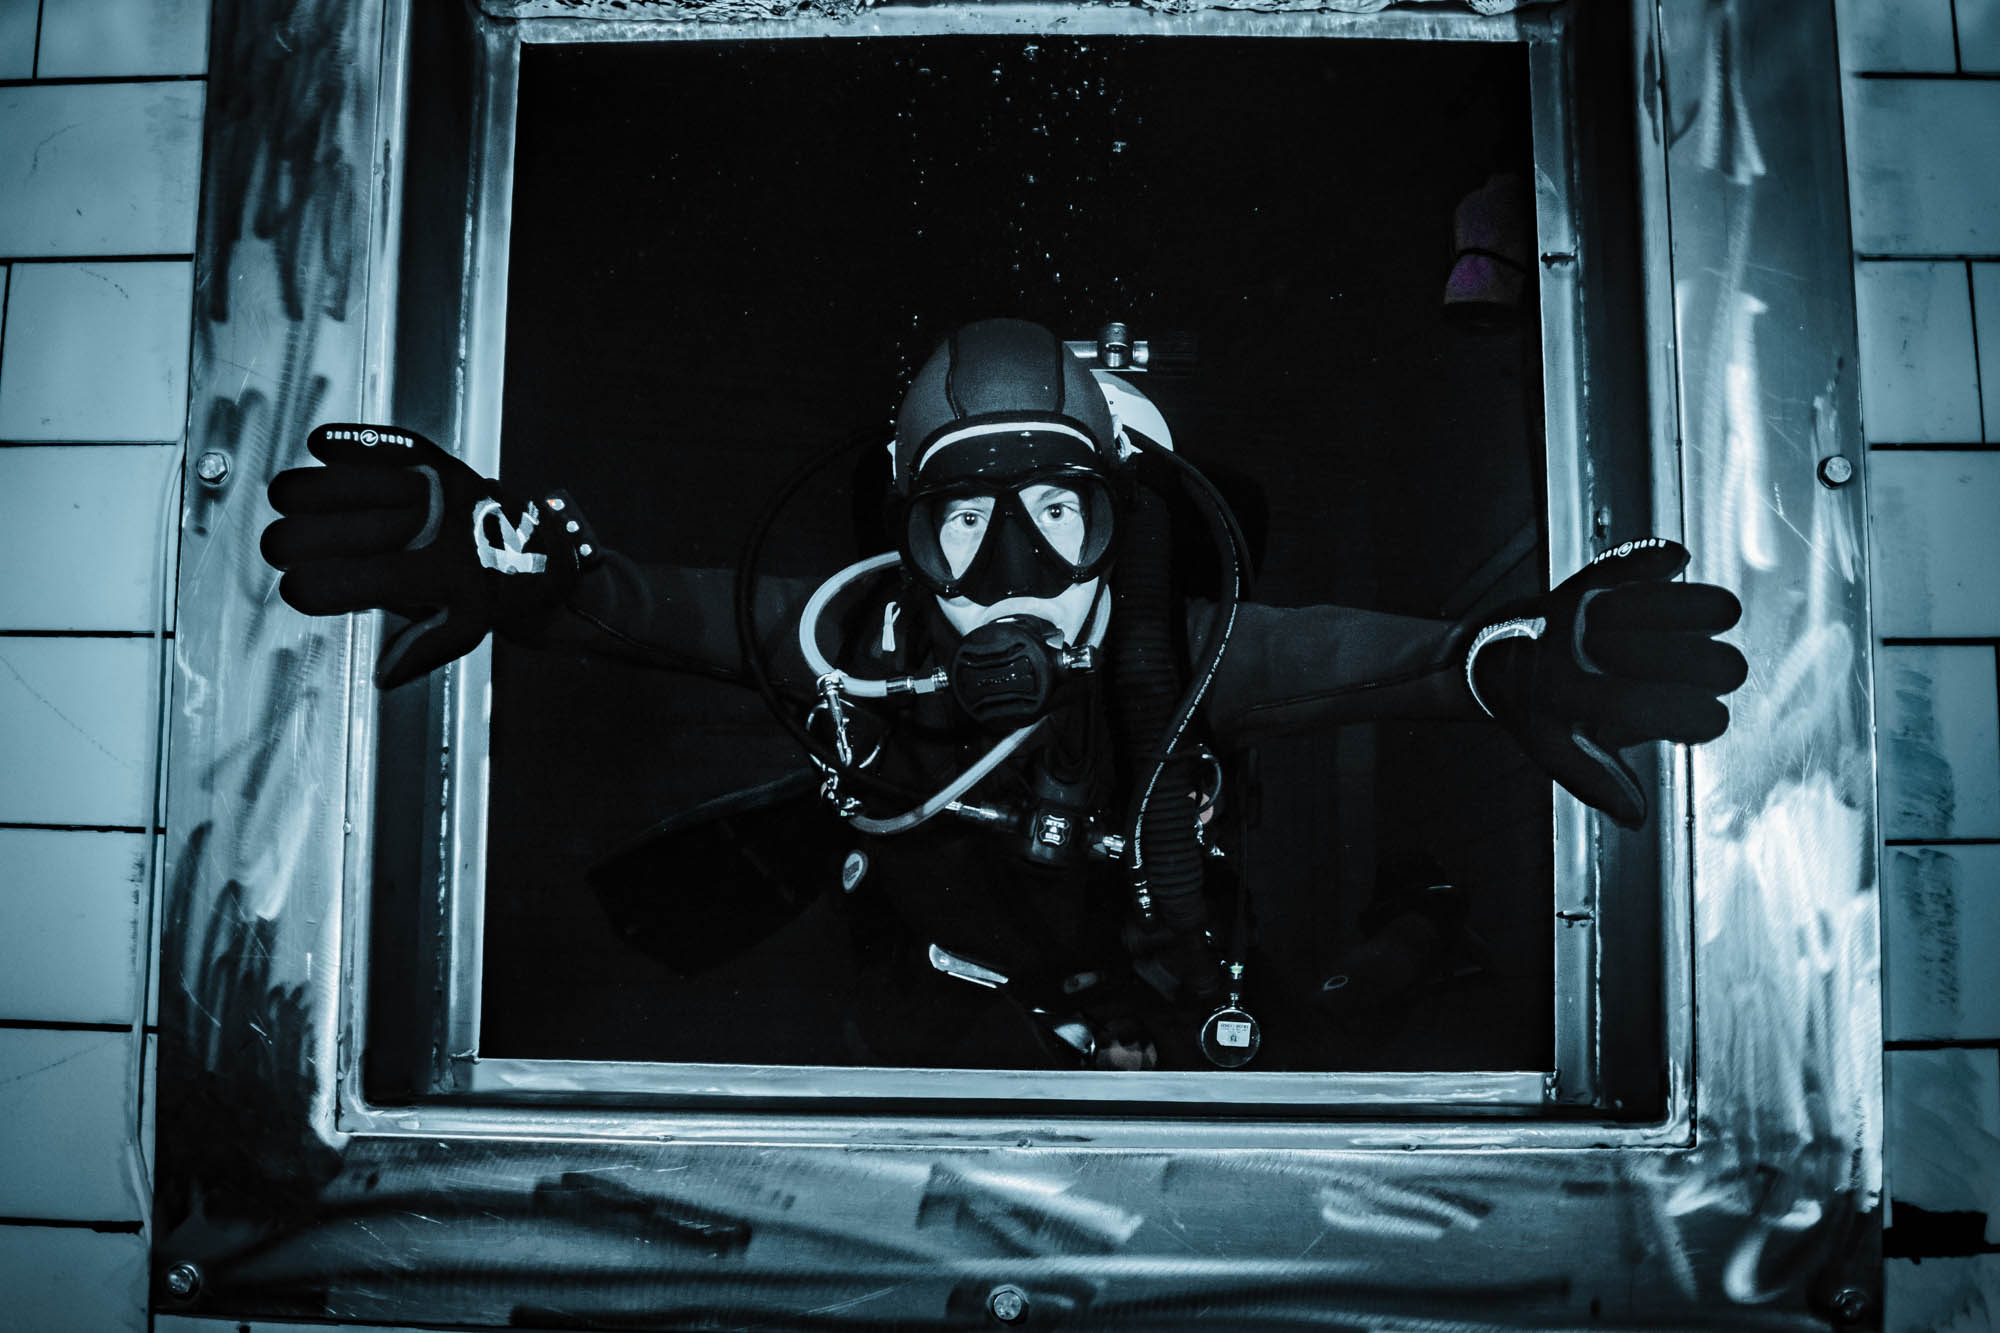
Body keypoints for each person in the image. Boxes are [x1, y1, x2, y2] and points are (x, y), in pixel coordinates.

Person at [262, 318, 1746, 1071]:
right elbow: (646, 604)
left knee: (1307, 1024)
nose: (1015, 574)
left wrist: (1509, 661)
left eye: (1058, 517)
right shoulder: (852, 636)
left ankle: (1420, 930)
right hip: (935, 990)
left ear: (1119, 526)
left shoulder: (1190, 651)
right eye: (966, 523)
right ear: (906, 540)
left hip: (1164, 973)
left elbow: (1392, 658)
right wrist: (520, 572)